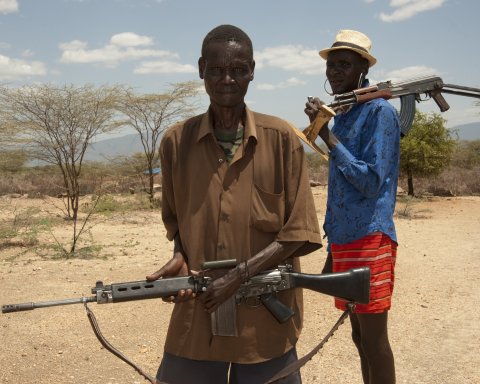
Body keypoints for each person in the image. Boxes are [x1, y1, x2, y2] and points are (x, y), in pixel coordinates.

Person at [147, 24, 322, 384]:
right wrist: (180, 257)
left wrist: (238, 277)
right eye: (216, 70)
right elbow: (178, 224)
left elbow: (300, 232)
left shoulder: (281, 140)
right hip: (198, 316)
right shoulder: (175, 143)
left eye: (238, 70)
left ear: (252, 71)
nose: (228, 79)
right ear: (201, 69)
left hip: (266, 324)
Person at [304, 30, 400, 384]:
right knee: (359, 337)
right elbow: (340, 191)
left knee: (375, 340)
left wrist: (328, 136)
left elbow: (371, 180)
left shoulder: (380, 112)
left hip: (371, 238)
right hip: (346, 240)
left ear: (364, 67)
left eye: (344, 64)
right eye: (331, 65)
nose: (334, 71)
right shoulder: (343, 114)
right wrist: (332, 246)